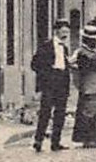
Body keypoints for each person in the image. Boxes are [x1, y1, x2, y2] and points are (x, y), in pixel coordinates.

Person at [29, 19, 72, 152]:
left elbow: (65, 65)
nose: (65, 34)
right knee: (45, 112)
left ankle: (55, 142)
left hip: (62, 83)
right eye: (63, 31)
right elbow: (34, 64)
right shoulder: (46, 46)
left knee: (60, 114)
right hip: (49, 83)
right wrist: (47, 73)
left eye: (67, 32)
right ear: (56, 31)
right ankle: (38, 141)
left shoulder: (64, 48)